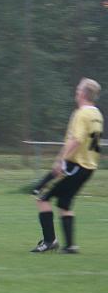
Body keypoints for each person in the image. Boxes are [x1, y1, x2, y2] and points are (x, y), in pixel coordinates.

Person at [31, 78, 102, 254]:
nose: (76, 92)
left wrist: (60, 160)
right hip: (89, 166)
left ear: (84, 93)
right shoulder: (97, 114)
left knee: (41, 196)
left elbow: (76, 140)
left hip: (75, 164)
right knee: (64, 203)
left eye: (78, 89)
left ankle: (49, 241)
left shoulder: (81, 113)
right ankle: (70, 246)